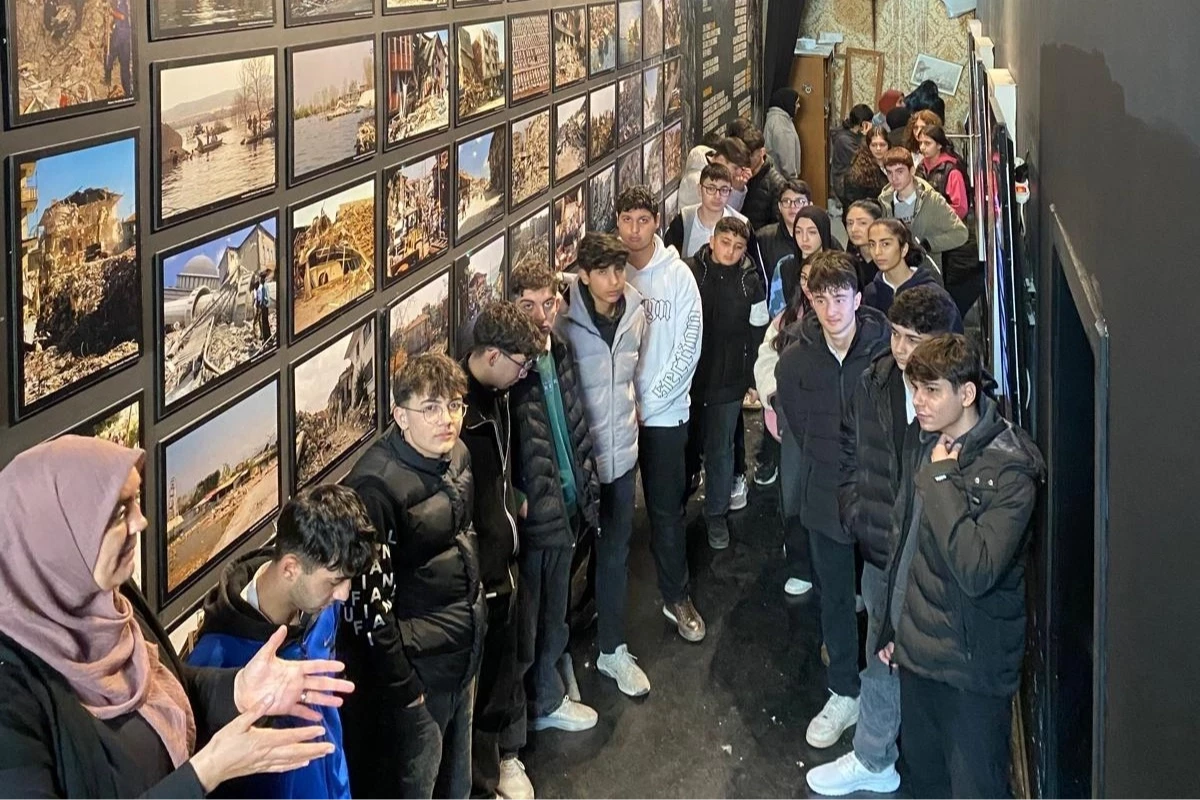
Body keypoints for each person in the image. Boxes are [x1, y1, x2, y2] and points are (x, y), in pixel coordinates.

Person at [0, 436, 351, 798]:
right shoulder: (11, 696)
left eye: (135, 501)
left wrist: (238, 689)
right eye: (120, 512)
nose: (141, 521)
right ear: (55, 537)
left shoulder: (112, 596)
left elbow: (169, 685)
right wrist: (205, 772)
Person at [804, 286, 961, 797]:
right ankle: (874, 756)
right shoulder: (874, 381)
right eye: (895, 334)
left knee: (931, 667)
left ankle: (928, 763)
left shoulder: (962, 401)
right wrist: (857, 511)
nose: (900, 348)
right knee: (881, 654)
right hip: (880, 550)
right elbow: (849, 448)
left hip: (939, 562)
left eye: (913, 338)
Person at [876, 334, 1044, 800]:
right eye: (915, 389)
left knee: (976, 787)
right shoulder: (926, 444)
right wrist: (894, 630)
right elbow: (906, 544)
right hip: (919, 656)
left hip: (973, 671)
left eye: (931, 391)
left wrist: (943, 478)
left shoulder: (1011, 469)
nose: (918, 402)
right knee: (924, 781)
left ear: (966, 393)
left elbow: (977, 568)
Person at [340, 353, 486, 800]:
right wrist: (407, 688)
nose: (447, 419)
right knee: (417, 784)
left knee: (457, 781)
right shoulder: (375, 489)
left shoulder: (455, 454)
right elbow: (367, 611)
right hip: (420, 672)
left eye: (455, 405)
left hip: (462, 651)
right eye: (431, 408)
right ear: (400, 415)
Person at [188, 484, 374, 800]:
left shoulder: (321, 606)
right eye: (335, 581)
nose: (344, 594)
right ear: (290, 568)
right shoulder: (215, 660)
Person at [775, 253, 890, 749]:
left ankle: (885, 695)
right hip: (824, 491)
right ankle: (844, 690)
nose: (831, 309)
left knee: (884, 599)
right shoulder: (795, 361)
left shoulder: (887, 354)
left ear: (857, 299)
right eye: (821, 299)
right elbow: (800, 428)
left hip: (881, 492)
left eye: (840, 298)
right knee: (836, 597)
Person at [555, 232, 651, 698]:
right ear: (584, 275)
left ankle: (613, 650)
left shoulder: (635, 311)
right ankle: (555, 662)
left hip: (622, 454)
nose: (615, 281)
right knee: (564, 560)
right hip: (578, 464)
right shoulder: (562, 321)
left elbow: (633, 374)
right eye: (604, 272)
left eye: (620, 270)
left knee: (614, 553)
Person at [508, 262, 602, 733]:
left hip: (566, 502)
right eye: (528, 306)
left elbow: (571, 419)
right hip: (536, 515)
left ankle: (548, 691)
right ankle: (537, 708)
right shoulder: (511, 372)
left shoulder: (558, 348)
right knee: (532, 619)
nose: (541, 316)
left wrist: (583, 480)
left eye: (548, 303)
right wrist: (516, 499)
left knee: (554, 610)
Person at [458, 302, 545, 800]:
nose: (524, 374)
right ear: (492, 355)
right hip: (480, 574)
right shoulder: (458, 417)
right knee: (478, 693)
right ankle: (481, 784)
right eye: (520, 364)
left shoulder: (498, 396)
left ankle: (494, 771)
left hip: (504, 564)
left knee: (500, 679)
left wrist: (512, 500)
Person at [615, 185, 707, 643]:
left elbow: (689, 346)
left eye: (643, 220)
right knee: (612, 517)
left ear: (656, 222)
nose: (634, 230)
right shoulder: (611, 274)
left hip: (665, 417)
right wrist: (623, 405)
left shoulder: (679, 277)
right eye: (626, 220)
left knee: (666, 512)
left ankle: (677, 596)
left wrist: (648, 402)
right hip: (617, 419)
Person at [685, 217, 766, 549]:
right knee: (686, 446)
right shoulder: (689, 272)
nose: (730, 251)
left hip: (729, 378)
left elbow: (759, 332)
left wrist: (753, 379)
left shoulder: (751, 282)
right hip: (688, 377)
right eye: (725, 243)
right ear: (712, 241)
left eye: (738, 246)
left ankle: (715, 515)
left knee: (721, 451)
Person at [755, 271, 814, 597]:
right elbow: (767, 358)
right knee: (792, 492)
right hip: (793, 420)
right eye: (804, 277)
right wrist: (775, 396)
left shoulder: (848, 319)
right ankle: (800, 562)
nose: (810, 285)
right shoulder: (787, 318)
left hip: (834, 426)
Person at [917, 124, 984, 316]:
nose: (922, 147)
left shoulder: (951, 171)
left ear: (939, 145)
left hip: (953, 241)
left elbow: (960, 207)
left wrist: (936, 221)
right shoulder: (921, 167)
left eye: (927, 143)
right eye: (921, 143)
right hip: (932, 235)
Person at [877, 147, 968, 272]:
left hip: (927, 273)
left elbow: (960, 233)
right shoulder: (884, 202)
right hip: (894, 272)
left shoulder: (932, 200)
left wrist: (928, 244)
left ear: (912, 170)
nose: (894, 178)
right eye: (889, 173)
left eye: (900, 171)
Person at [862, 219, 961, 329]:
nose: (877, 252)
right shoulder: (870, 294)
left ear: (904, 249)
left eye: (885, 244)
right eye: (872, 244)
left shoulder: (933, 294)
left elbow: (952, 335)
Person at [665, 162, 750, 258]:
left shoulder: (742, 223)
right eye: (711, 188)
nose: (717, 196)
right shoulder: (684, 220)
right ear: (699, 189)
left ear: (730, 193)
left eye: (724, 190)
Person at [757, 178, 812, 320]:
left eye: (799, 201)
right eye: (787, 201)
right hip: (774, 315)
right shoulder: (763, 238)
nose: (793, 206)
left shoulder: (822, 237)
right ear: (779, 207)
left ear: (810, 205)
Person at [734, 124, 789, 230]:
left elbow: (777, 225)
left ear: (762, 152)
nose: (746, 160)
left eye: (751, 155)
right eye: (743, 154)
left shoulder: (777, 184)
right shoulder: (738, 176)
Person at [679, 136, 754, 209]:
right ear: (721, 159)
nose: (739, 173)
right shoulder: (697, 181)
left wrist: (739, 189)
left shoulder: (720, 174)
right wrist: (736, 191)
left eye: (742, 169)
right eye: (735, 168)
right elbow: (719, 215)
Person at [840, 126, 891, 221]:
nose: (878, 148)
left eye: (882, 145)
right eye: (874, 145)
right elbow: (851, 207)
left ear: (889, 146)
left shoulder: (894, 165)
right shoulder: (856, 174)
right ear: (868, 146)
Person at [831, 104, 874, 207]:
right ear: (864, 124)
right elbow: (863, 158)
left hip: (853, 178)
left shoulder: (855, 134)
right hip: (844, 183)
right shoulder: (844, 140)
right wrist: (866, 137)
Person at [845, 199, 885, 290]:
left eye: (862, 223)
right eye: (850, 223)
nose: (854, 229)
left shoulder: (889, 259)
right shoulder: (848, 261)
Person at [763, 87, 802, 177]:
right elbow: (786, 159)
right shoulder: (781, 124)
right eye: (796, 103)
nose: (799, 106)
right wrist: (792, 180)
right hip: (782, 180)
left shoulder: (776, 118)